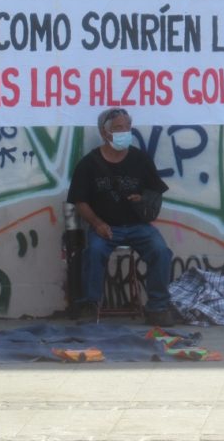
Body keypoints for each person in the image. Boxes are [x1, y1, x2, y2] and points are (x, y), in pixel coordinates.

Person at [67, 107, 176, 326]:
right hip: (106, 226)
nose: (125, 132)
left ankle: (158, 307)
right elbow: (80, 201)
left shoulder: (141, 159)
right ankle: (90, 305)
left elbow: (155, 192)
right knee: (94, 252)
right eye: (118, 128)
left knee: (160, 251)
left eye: (128, 127)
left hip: (138, 226)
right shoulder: (89, 164)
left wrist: (143, 199)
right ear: (104, 132)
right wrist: (97, 224)